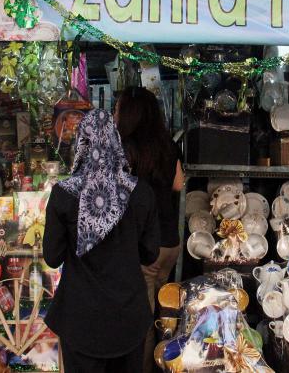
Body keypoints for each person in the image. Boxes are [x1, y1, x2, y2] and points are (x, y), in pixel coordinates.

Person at [43, 109, 160, 373]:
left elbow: (52, 257)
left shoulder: (64, 195)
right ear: (116, 142)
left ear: (81, 144)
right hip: (128, 318)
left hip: (80, 319)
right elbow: (150, 254)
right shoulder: (141, 192)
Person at [114, 87, 184, 371]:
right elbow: (178, 184)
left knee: (141, 319)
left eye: (117, 109)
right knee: (163, 314)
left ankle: (146, 368)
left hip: (146, 247)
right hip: (170, 243)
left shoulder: (125, 149)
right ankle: (165, 363)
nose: (114, 115)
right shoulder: (167, 144)